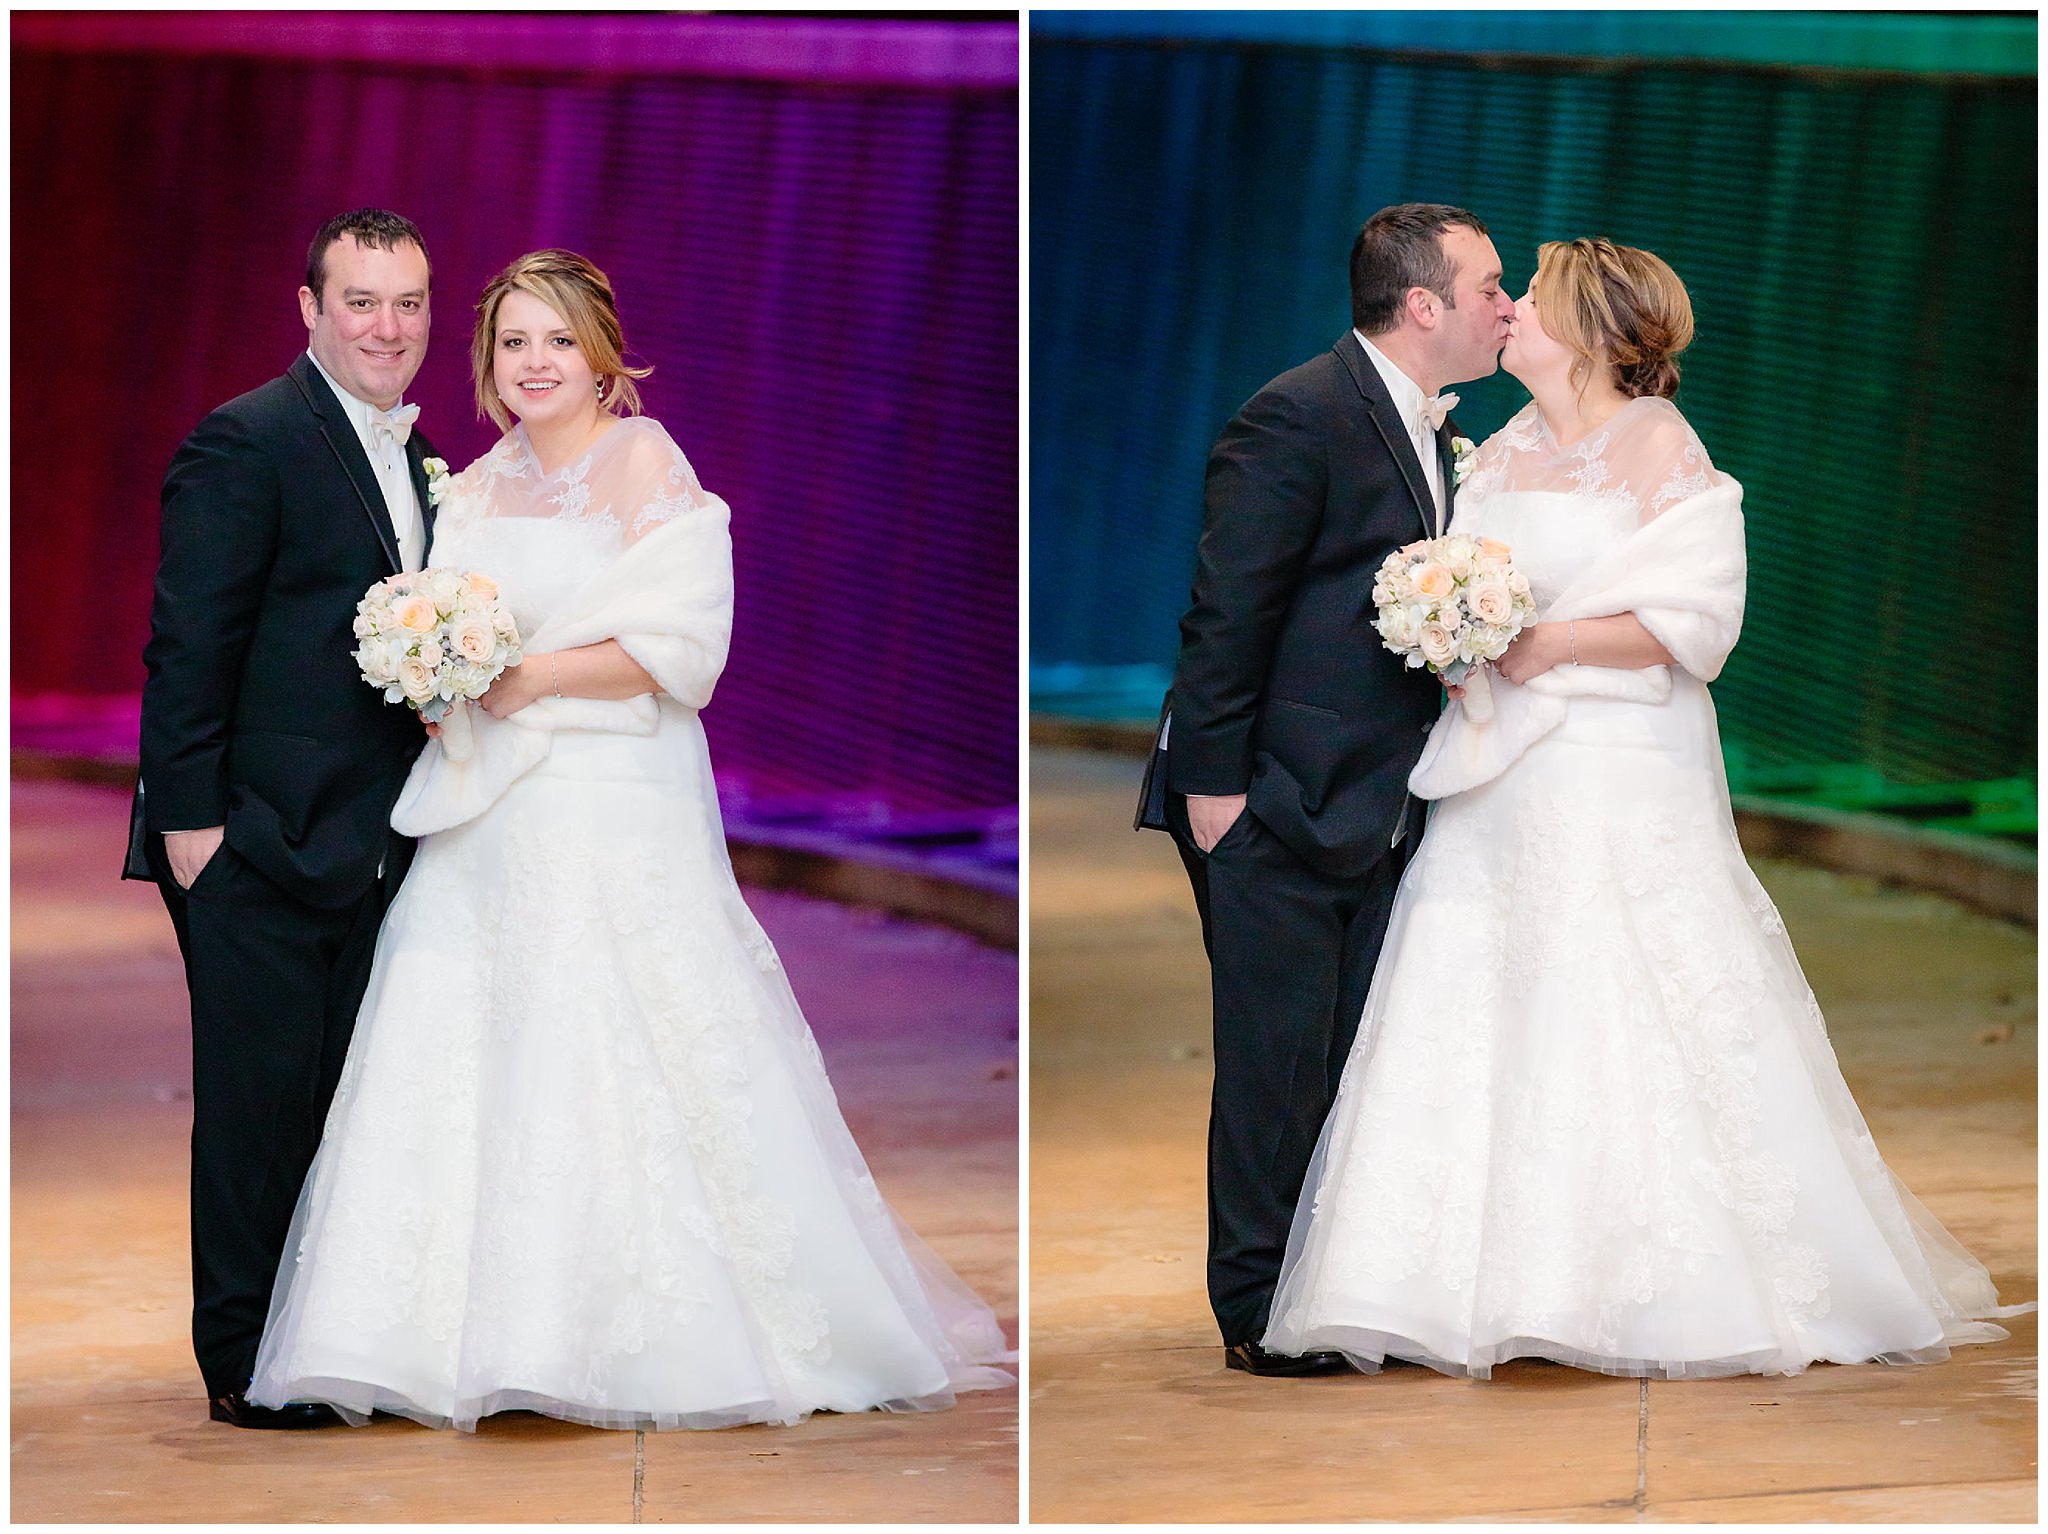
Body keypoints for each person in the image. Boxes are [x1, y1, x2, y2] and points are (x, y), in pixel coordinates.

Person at [246, 249, 1013, 1431]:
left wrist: (522, 672)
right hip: (487, 808)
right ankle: (439, 1334)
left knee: (616, 1025)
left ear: (601, 352)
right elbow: (439, 629)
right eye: (512, 343)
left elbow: (681, 644)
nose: (534, 363)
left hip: (611, 793)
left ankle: (643, 1333)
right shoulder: (474, 482)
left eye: (556, 340)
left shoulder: (642, 461)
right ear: (487, 360)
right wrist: (438, 667)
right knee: (465, 1034)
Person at [1263, 237, 2030, 1378]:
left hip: (1619, 761)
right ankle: (1461, 1281)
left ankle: (1656, 1283)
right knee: (1485, 990)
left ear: (1586, 324)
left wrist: (1549, 642)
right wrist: (1453, 630)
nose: (1510, 309)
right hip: (1499, 773)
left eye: (1530, 294)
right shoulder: (1500, 448)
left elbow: (1697, 618)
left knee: (1623, 984)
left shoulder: (1656, 442)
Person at [1133, 204, 1517, 1376]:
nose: (1507, 307)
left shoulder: (1429, 429)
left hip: (1372, 800)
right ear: (1422, 306)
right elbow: (1226, 610)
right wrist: (1213, 790)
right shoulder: (1296, 414)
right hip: (1271, 799)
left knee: (1348, 1056)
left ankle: (1328, 1286)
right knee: (1272, 1060)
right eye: (1490, 286)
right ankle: (1255, 1308)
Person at [125, 209, 439, 1428]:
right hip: (251, 840)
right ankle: (243, 1363)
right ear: (307, 307)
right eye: (361, 300)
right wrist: (193, 832)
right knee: (255, 1108)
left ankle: (316, 1337)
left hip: (365, 842)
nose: (386, 326)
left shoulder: (420, 461)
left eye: (407, 303)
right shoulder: (244, 441)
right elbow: (187, 644)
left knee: (330, 1105)